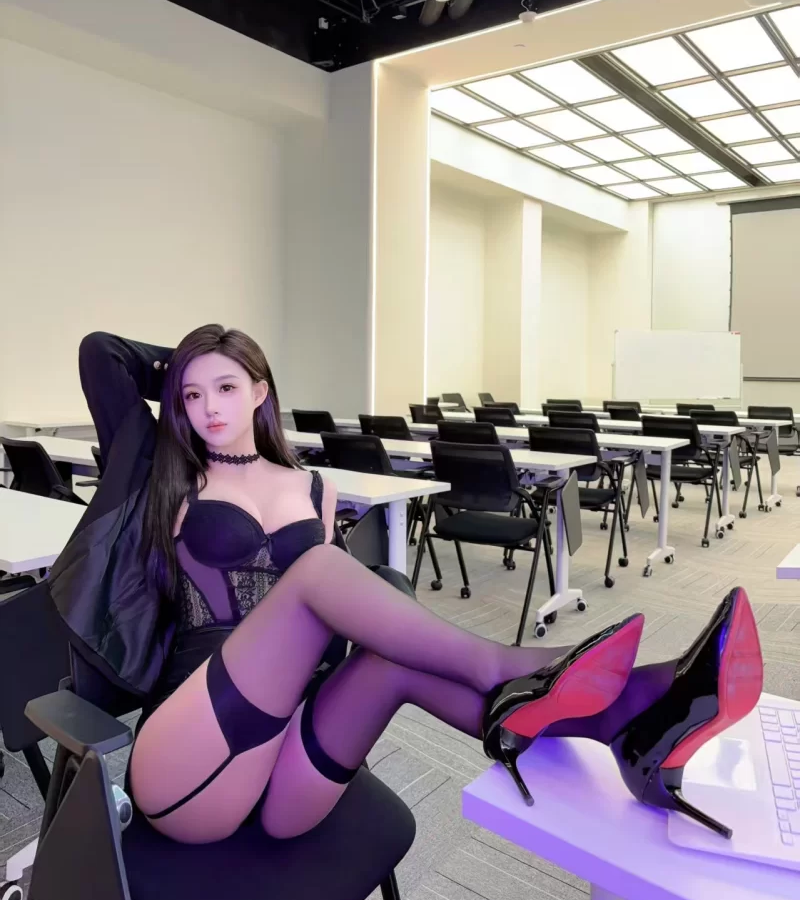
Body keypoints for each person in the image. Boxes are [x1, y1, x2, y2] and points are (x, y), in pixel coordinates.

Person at [49, 326, 763, 847]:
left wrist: (212, 360)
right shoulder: (163, 472)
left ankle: (630, 719)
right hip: (190, 763)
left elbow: (330, 637)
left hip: (286, 778)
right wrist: (191, 359)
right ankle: (510, 667)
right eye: (193, 393)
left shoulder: (313, 486)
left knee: (387, 660)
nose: (209, 406)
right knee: (321, 570)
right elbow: (99, 353)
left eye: (227, 386)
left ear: (261, 390)